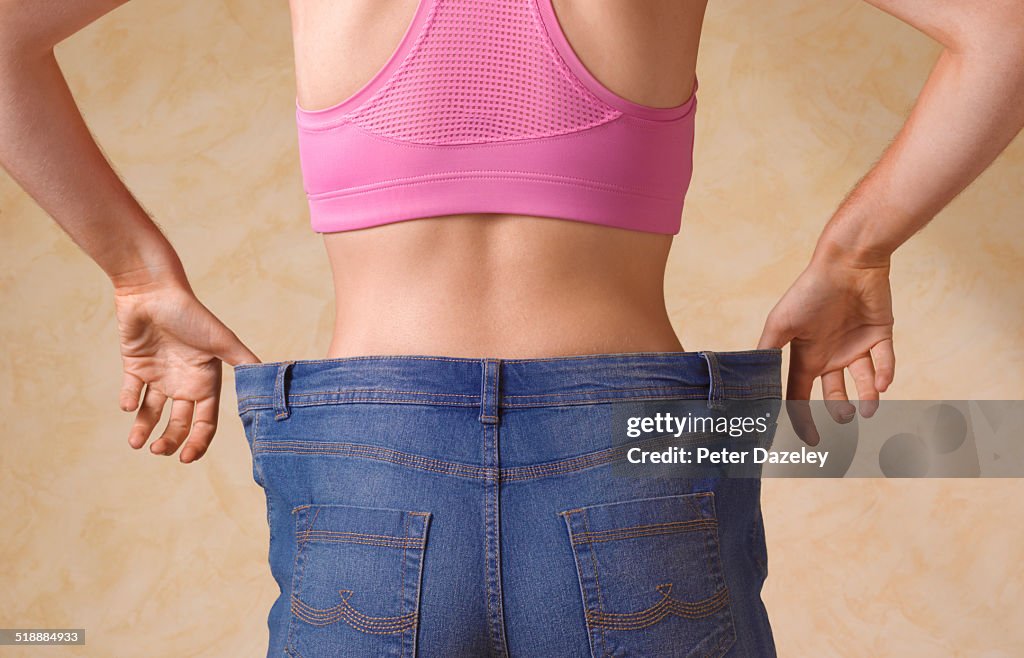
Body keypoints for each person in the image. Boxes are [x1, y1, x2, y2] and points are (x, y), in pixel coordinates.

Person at [2, 1, 1022, 656]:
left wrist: (137, 272)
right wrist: (853, 250)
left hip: (370, 459)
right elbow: (1005, 29)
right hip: (636, 454)